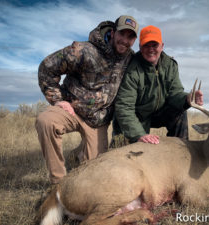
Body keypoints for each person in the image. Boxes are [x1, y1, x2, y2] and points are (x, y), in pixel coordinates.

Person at [35, 15, 139, 184]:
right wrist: (57, 99)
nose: (125, 41)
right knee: (46, 122)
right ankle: (58, 183)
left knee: (94, 178)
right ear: (113, 32)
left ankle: (78, 155)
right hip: (71, 110)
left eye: (131, 37)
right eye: (122, 34)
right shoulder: (83, 50)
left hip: (98, 121)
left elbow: (151, 64)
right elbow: (47, 67)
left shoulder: (131, 60)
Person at [113, 25, 203, 145]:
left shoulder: (170, 65)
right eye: (146, 45)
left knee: (181, 111)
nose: (151, 49)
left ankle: (177, 151)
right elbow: (124, 107)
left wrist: (187, 98)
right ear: (140, 47)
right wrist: (139, 134)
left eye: (154, 45)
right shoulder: (131, 69)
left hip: (159, 113)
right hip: (136, 117)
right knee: (124, 153)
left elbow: (175, 94)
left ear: (162, 46)